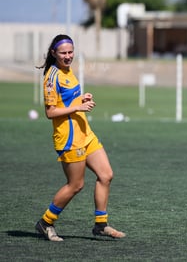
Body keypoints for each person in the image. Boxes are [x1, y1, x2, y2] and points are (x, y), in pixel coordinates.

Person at [35, 34, 125, 241]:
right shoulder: (52, 77)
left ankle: (101, 225)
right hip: (69, 138)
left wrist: (81, 98)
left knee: (106, 175)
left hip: (85, 133)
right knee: (75, 185)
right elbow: (50, 112)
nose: (68, 56)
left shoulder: (68, 71)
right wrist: (79, 106)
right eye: (63, 53)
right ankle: (45, 222)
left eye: (70, 52)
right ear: (53, 54)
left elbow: (66, 100)